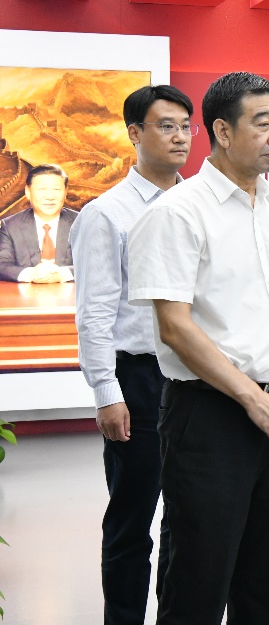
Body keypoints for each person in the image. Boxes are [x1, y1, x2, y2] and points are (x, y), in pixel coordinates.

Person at [127, 71, 269, 625]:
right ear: (221, 131)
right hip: (210, 414)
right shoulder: (177, 212)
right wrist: (250, 398)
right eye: (262, 123)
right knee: (199, 577)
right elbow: (175, 327)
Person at [70, 85, 195, 625]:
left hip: (195, 376)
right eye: (166, 126)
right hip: (138, 378)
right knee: (132, 516)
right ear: (134, 134)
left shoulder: (199, 204)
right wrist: (106, 392)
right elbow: (94, 311)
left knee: (189, 517)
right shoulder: (106, 214)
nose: (180, 137)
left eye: (186, 126)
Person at [0, 163, 77, 283]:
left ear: (66, 192)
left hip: (72, 294)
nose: (50, 196)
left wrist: (62, 274)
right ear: (28, 192)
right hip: (24, 294)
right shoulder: (10, 226)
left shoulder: (81, 223)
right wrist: (31, 274)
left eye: (56, 189)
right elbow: (2, 264)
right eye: (42, 189)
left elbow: (96, 262)